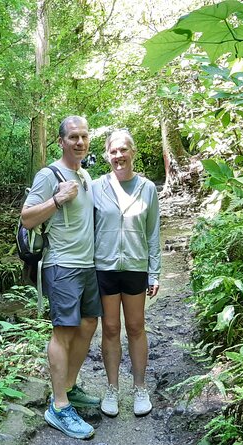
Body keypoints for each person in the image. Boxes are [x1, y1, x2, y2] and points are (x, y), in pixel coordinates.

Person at [20, 115, 102, 439]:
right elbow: (26, 219)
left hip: (87, 265)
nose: (79, 142)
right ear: (61, 141)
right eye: (73, 137)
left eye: (83, 136)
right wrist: (56, 200)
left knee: (89, 323)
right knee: (64, 331)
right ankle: (59, 406)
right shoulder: (48, 175)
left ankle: (68, 386)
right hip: (62, 265)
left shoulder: (85, 174)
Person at [92, 129, 161, 417]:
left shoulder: (147, 188)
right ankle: (111, 388)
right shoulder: (95, 187)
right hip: (104, 266)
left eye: (123, 150)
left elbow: (153, 231)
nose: (118, 155)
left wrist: (154, 271)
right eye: (113, 151)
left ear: (132, 151)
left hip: (135, 265)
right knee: (109, 328)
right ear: (107, 155)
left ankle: (140, 387)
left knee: (135, 327)